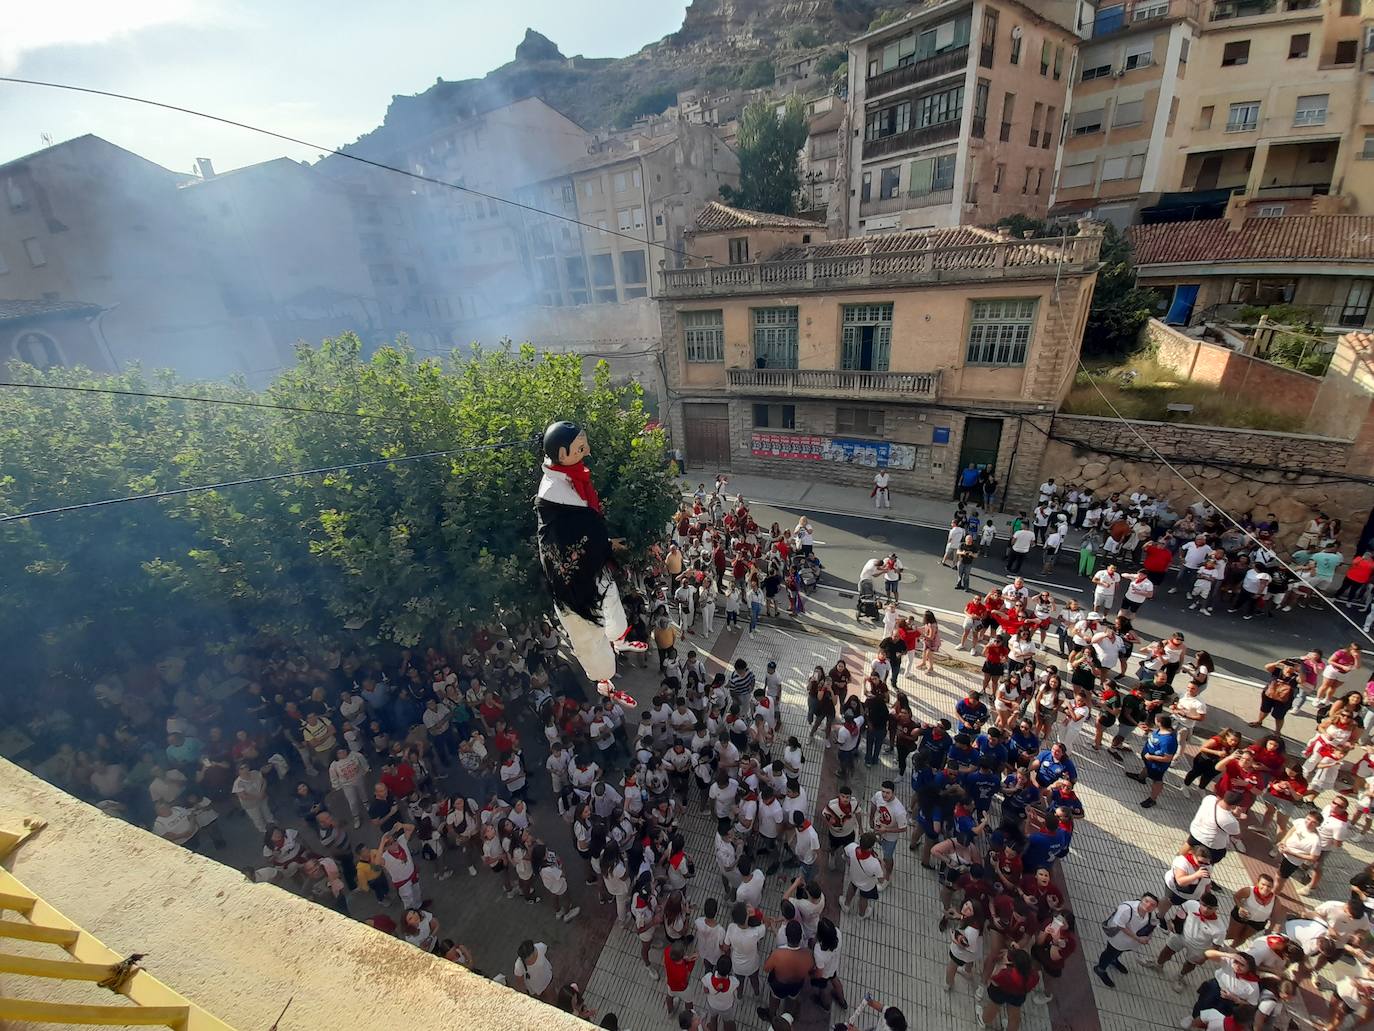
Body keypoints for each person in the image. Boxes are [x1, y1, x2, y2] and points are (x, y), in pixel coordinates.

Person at [1093, 894, 1159, 988]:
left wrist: (1148, 937)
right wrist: (1138, 938)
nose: (1148, 905)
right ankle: (1100, 969)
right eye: (1146, 901)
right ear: (1141, 899)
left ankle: (1113, 960)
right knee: (1110, 953)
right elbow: (1120, 925)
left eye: (1152, 905)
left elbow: (1151, 926)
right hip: (1117, 938)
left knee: (1119, 952)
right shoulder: (1126, 909)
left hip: (1129, 942)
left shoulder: (1150, 914)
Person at [981, 948, 1038, 1031]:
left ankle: (984, 1020)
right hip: (1019, 995)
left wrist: (1001, 965)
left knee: (994, 1006)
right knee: (1014, 1015)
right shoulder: (1034, 976)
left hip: (1001, 992)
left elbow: (994, 981)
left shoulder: (1005, 974)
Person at [840, 831, 884, 919]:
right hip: (867, 885)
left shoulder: (852, 847)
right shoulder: (874, 863)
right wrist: (882, 864)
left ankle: (846, 905)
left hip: (854, 876)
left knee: (852, 887)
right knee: (864, 898)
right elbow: (881, 880)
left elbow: (845, 854)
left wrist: (850, 862)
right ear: (871, 847)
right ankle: (862, 914)